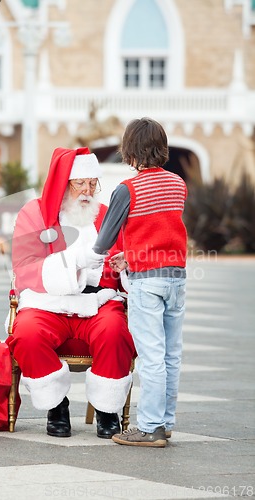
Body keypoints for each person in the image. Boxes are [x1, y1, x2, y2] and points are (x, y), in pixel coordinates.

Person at [6, 147, 135, 439]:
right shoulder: (34, 213)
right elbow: (24, 267)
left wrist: (124, 266)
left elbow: (124, 263)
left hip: (97, 302)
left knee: (115, 331)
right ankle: (57, 405)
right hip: (47, 303)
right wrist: (74, 263)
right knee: (26, 334)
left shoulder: (105, 215)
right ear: (64, 182)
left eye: (93, 183)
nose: (88, 191)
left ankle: (106, 409)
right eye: (80, 183)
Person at [93, 117, 187, 447]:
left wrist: (93, 254)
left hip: (146, 283)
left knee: (151, 357)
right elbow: (162, 232)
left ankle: (149, 428)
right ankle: (165, 421)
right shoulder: (178, 184)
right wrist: (132, 256)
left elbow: (104, 241)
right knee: (171, 356)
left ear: (129, 150)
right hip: (176, 278)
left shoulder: (127, 189)